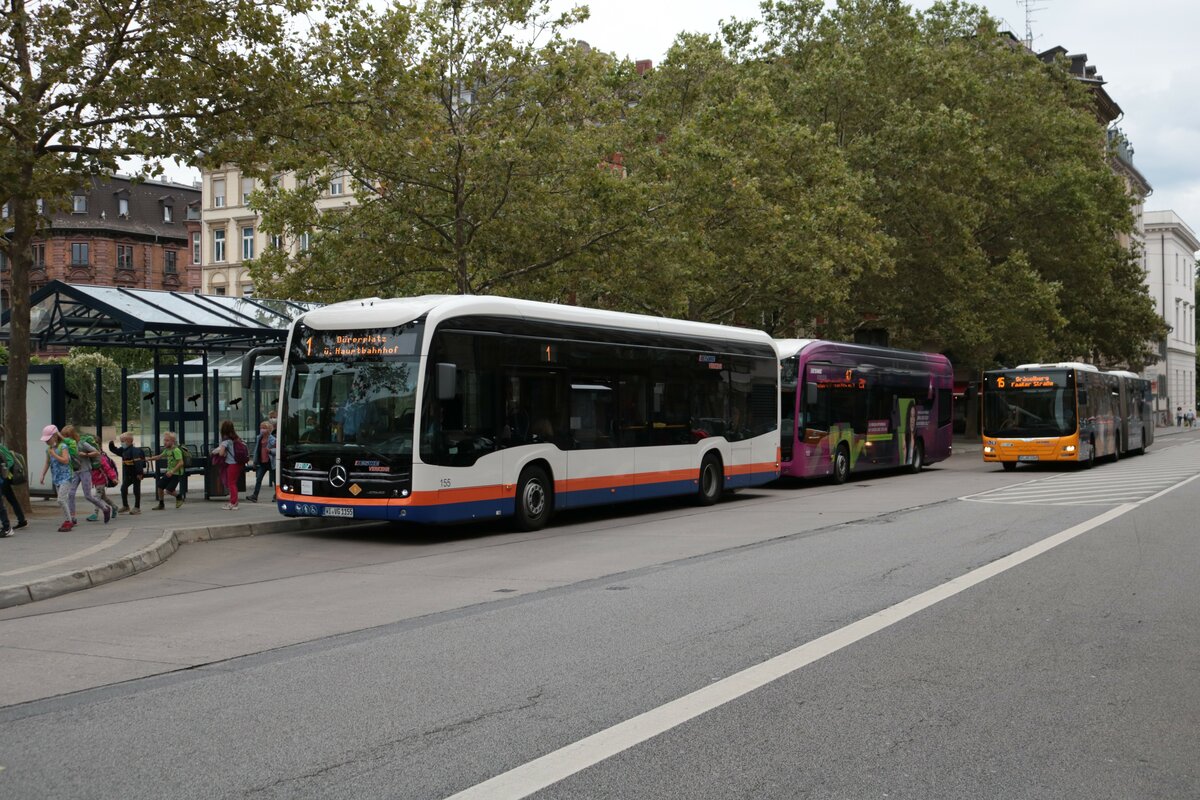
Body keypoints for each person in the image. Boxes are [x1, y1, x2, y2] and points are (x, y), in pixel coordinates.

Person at [59, 424, 111, 524]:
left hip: (85, 470)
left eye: (67, 436)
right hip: (75, 471)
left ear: (72, 435)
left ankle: (105, 508)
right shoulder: (65, 445)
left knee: (88, 495)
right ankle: (72, 516)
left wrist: (85, 454)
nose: (65, 438)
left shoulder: (82, 444)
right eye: (63, 436)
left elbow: (97, 452)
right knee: (71, 493)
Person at [38, 424, 77, 531]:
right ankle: (68, 520)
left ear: (55, 436)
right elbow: (47, 462)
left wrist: (54, 454)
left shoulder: (62, 446)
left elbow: (65, 460)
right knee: (62, 500)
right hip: (57, 478)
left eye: (48, 439)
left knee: (60, 500)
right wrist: (42, 475)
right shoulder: (49, 449)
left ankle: (68, 521)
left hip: (66, 477)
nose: (46, 441)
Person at [0, 424, 29, 536]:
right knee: (11, 499)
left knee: (4, 502)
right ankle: (21, 520)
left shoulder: (1, 447)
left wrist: (4, 474)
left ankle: (8, 526)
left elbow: (10, 460)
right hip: (4, 478)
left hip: (3, 479)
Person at [109, 432, 147, 515]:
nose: (121, 443)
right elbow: (115, 450)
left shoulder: (135, 451)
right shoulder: (123, 450)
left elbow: (138, 463)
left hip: (136, 474)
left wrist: (140, 473)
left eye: (123, 441)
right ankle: (125, 506)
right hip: (128, 474)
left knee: (136, 490)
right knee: (123, 488)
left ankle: (137, 507)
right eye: (121, 441)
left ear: (129, 441)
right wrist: (111, 445)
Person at [147, 431, 187, 510]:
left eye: (167, 440)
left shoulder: (176, 451)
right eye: (164, 440)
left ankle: (179, 497)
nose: (165, 442)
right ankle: (161, 504)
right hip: (168, 472)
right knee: (160, 486)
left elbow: (181, 463)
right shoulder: (167, 450)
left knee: (169, 491)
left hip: (176, 474)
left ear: (172, 441)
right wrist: (148, 459)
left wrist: (172, 471)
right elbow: (159, 457)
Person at [210, 420, 245, 510]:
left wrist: (217, 451)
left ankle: (233, 503)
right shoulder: (236, 438)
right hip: (238, 463)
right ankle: (233, 502)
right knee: (233, 483)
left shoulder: (226, 440)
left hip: (232, 464)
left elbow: (221, 453)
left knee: (231, 483)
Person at [247, 420, 276, 502]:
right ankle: (254, 496)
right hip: (262, 462)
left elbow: (277, 450)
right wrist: (255, 462)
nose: (262, 429)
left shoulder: (273, 439)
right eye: (261, 428)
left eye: (264, 428)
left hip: (270, 462)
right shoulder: (259, 438)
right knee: (258, 479)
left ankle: (277, 495)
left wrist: (270, 451)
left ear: (268, 429)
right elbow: (257, 451)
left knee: (275, 480)